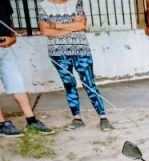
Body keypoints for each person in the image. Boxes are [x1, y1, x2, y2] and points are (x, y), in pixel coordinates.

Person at [38, 0, 112, 131]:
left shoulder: (76, 2)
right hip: (58, 53)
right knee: (69, 85)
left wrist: (56, 25)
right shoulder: (44, 6)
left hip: (81, 50)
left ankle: (103, 117)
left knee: (89, 83)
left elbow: (81, 25)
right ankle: (77, 118)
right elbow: (45, 31)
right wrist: (71, 26)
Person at [0, 1, 53, 136]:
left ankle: (31, 121)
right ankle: (2, 124)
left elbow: (8, 22)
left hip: (5, 49)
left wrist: (12, 38)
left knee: (17, 83)